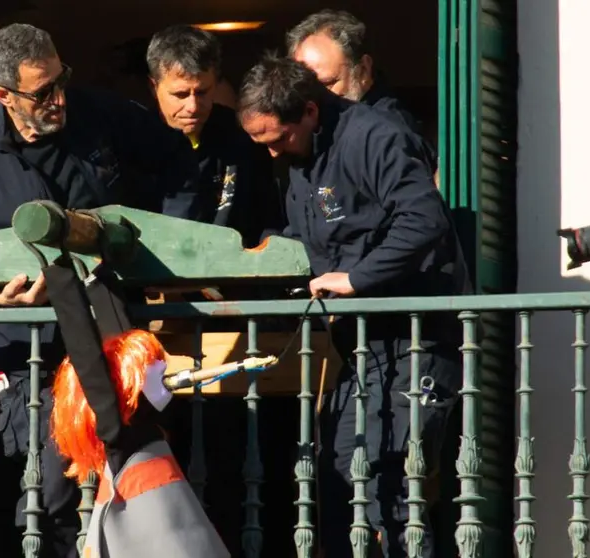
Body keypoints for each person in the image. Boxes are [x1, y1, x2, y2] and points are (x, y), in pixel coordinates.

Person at [0, 23, 203, 558]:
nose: (60, 98)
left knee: (141, 476)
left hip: (114, 337)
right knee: (47, 492)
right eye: (43, 91)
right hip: (25, 351)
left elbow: (183, 171)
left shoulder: (107, 116)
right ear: (4, 95)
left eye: (61, 79)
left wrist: (162, 264)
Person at [237, 54, 470, 557]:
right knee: (343, 473)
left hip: (418, 339)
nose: (273, 152)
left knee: (393, 484)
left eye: (279, 138)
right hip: (363, 347)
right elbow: (312, 236)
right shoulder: (303, 160)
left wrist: (356, 279)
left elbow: (424, 219)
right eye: (262, 142)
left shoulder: (374, 136)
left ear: (309, 111)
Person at [44, 253, 229, 558]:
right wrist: (59, 274)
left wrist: (98, 279)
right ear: (131, 389)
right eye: (154, 370)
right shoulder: (119, 432)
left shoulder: (148, 421)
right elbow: (88, 359)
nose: (164, 371)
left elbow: (121, 342)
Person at [146, 24, 284, 247]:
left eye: (202, 92)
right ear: (154, 87)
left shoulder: (243, 137)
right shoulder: (134, 142)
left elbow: (270, 215)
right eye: (180, 94)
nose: (192, 106)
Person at [285, 9, 439, 183]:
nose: (314, 100)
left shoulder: (389, 135)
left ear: (364, 69)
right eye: (305, 89)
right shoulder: (317, 133)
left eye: (328, 84)